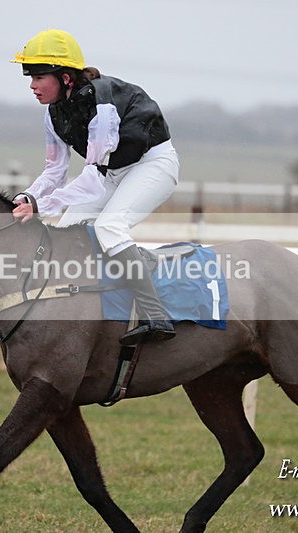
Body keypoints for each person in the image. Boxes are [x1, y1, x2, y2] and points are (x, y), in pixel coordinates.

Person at [10, 29, 179, 346]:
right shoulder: (54, 113)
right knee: (66, 231)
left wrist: (41, 207)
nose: (32, 85)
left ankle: (156, 315)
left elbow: (90, 179)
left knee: (109, 227)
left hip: (153, 164)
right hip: (111, 172)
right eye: (30, 77)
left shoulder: (102, 107)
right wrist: (27, 197)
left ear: (65, 77)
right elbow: (55, 170)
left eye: (38, 77)